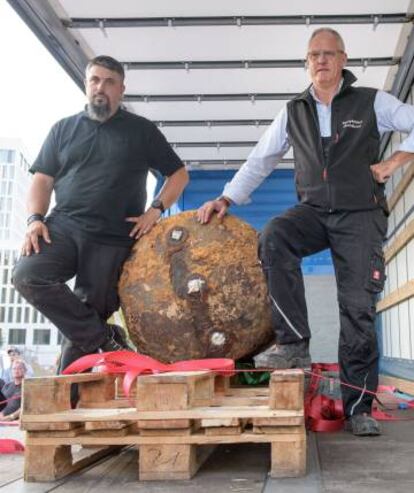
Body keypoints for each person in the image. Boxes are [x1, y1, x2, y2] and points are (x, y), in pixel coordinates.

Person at [197, 28, 414, 436]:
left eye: (329, 54)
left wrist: (392, 164)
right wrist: (226, 198)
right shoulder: (294, 110)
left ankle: (359, 407)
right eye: (314, 54)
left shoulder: (370, 101)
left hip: (360, 215)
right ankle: (294, 344)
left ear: (344, 59)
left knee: (357, 309)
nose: (321, 61)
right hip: (314, 210)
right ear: (306, 62)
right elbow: (260, 160)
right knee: (276, 233)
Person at [13, 55, 189, 373]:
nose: (100, 87)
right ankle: (106, 337)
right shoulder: (62, 129)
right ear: (86, 85)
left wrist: (155, 210)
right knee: (27, 274)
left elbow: (178, 175)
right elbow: (42, 179)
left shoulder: (141, 131)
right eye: (94, 80)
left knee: (86, 313)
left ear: (121, 89)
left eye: (109, 82)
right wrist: (35, 219)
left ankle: (68, 403)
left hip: (113, 236)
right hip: (63, 226)